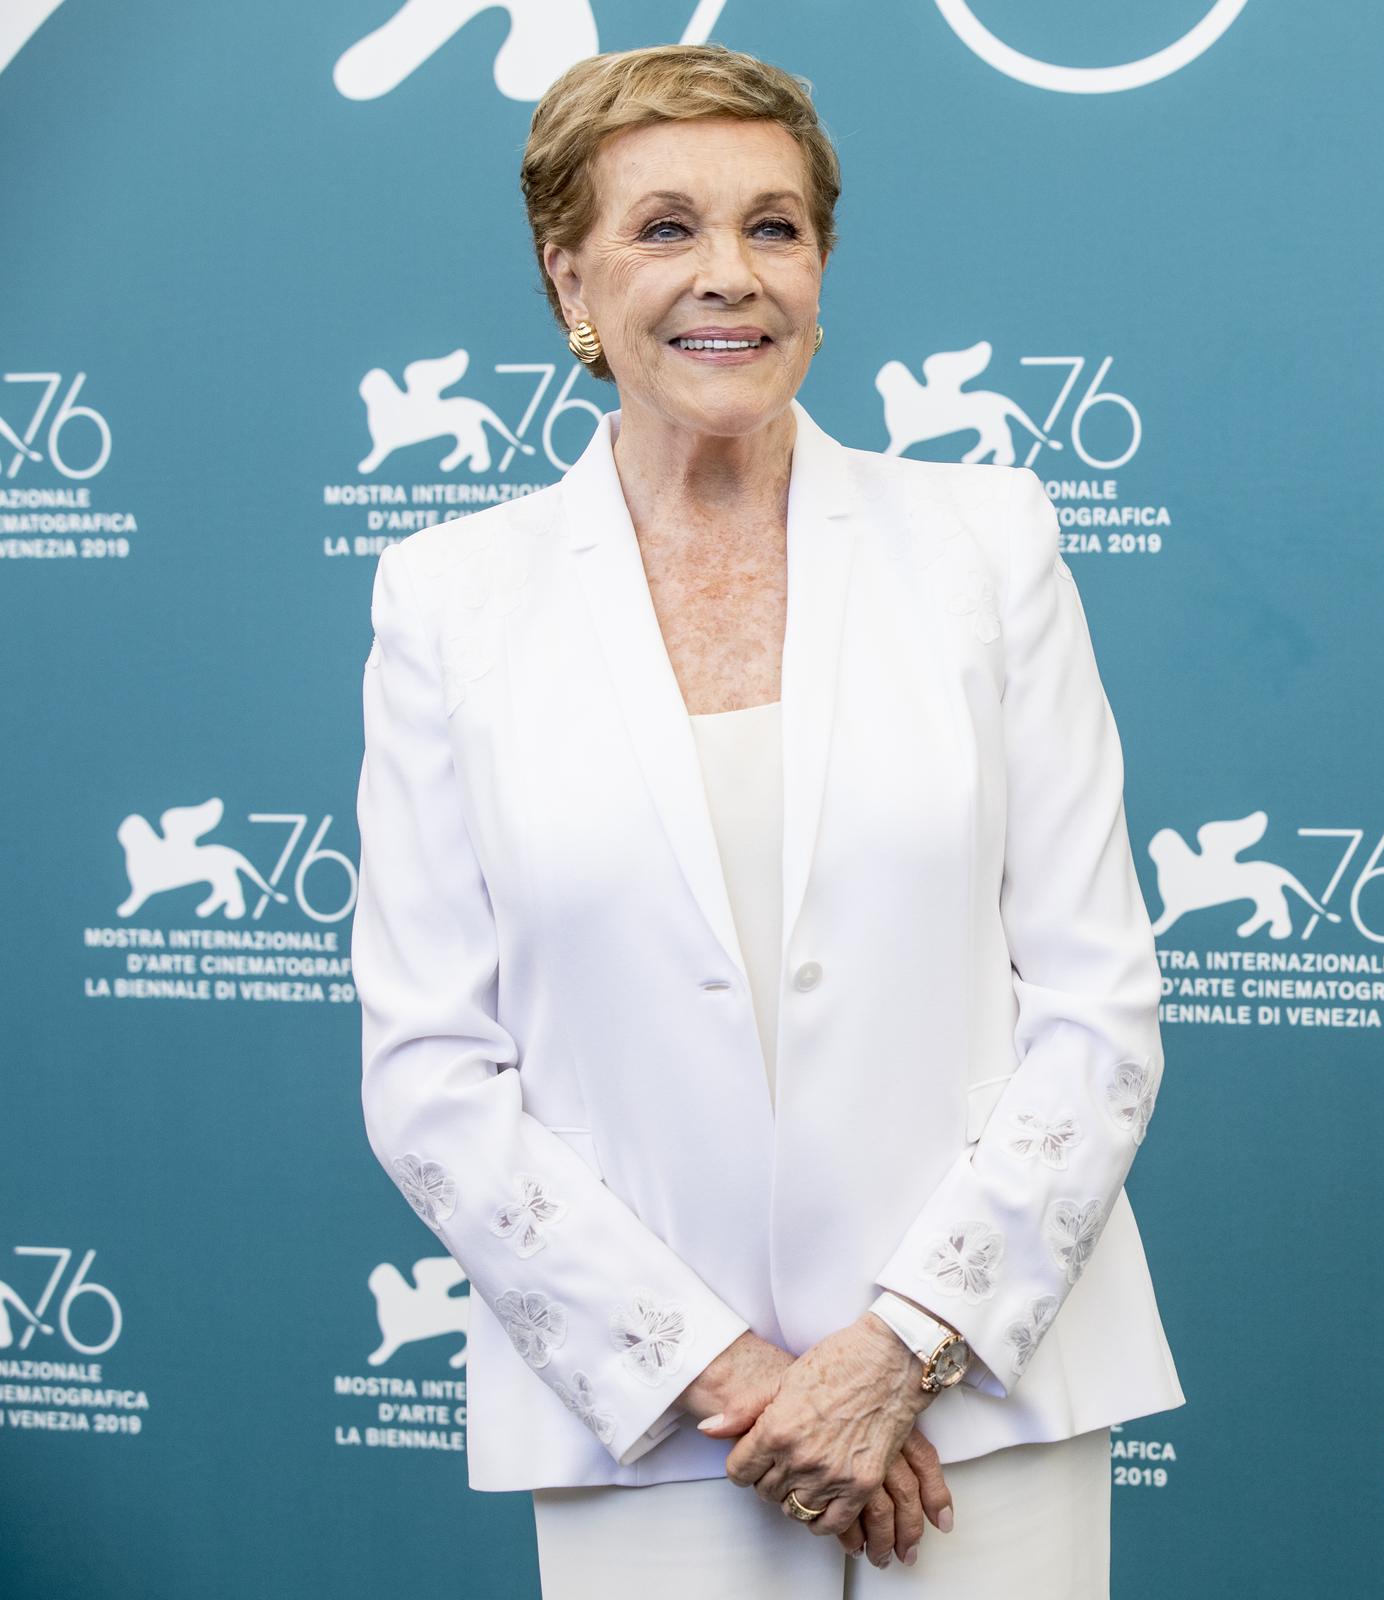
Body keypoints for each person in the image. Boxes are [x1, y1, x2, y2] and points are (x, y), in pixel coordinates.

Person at [351, 42, 1181, 1598]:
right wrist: (724, 1371)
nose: (727, 273)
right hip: (653, 1427)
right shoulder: (450, 601)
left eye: (774, 227)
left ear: (821, 267)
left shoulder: (986, 542)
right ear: (569, 278)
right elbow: (431, 1074)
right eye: (665, 227)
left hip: (981, 1405)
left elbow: (1097, 1005)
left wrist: (905, 1346)